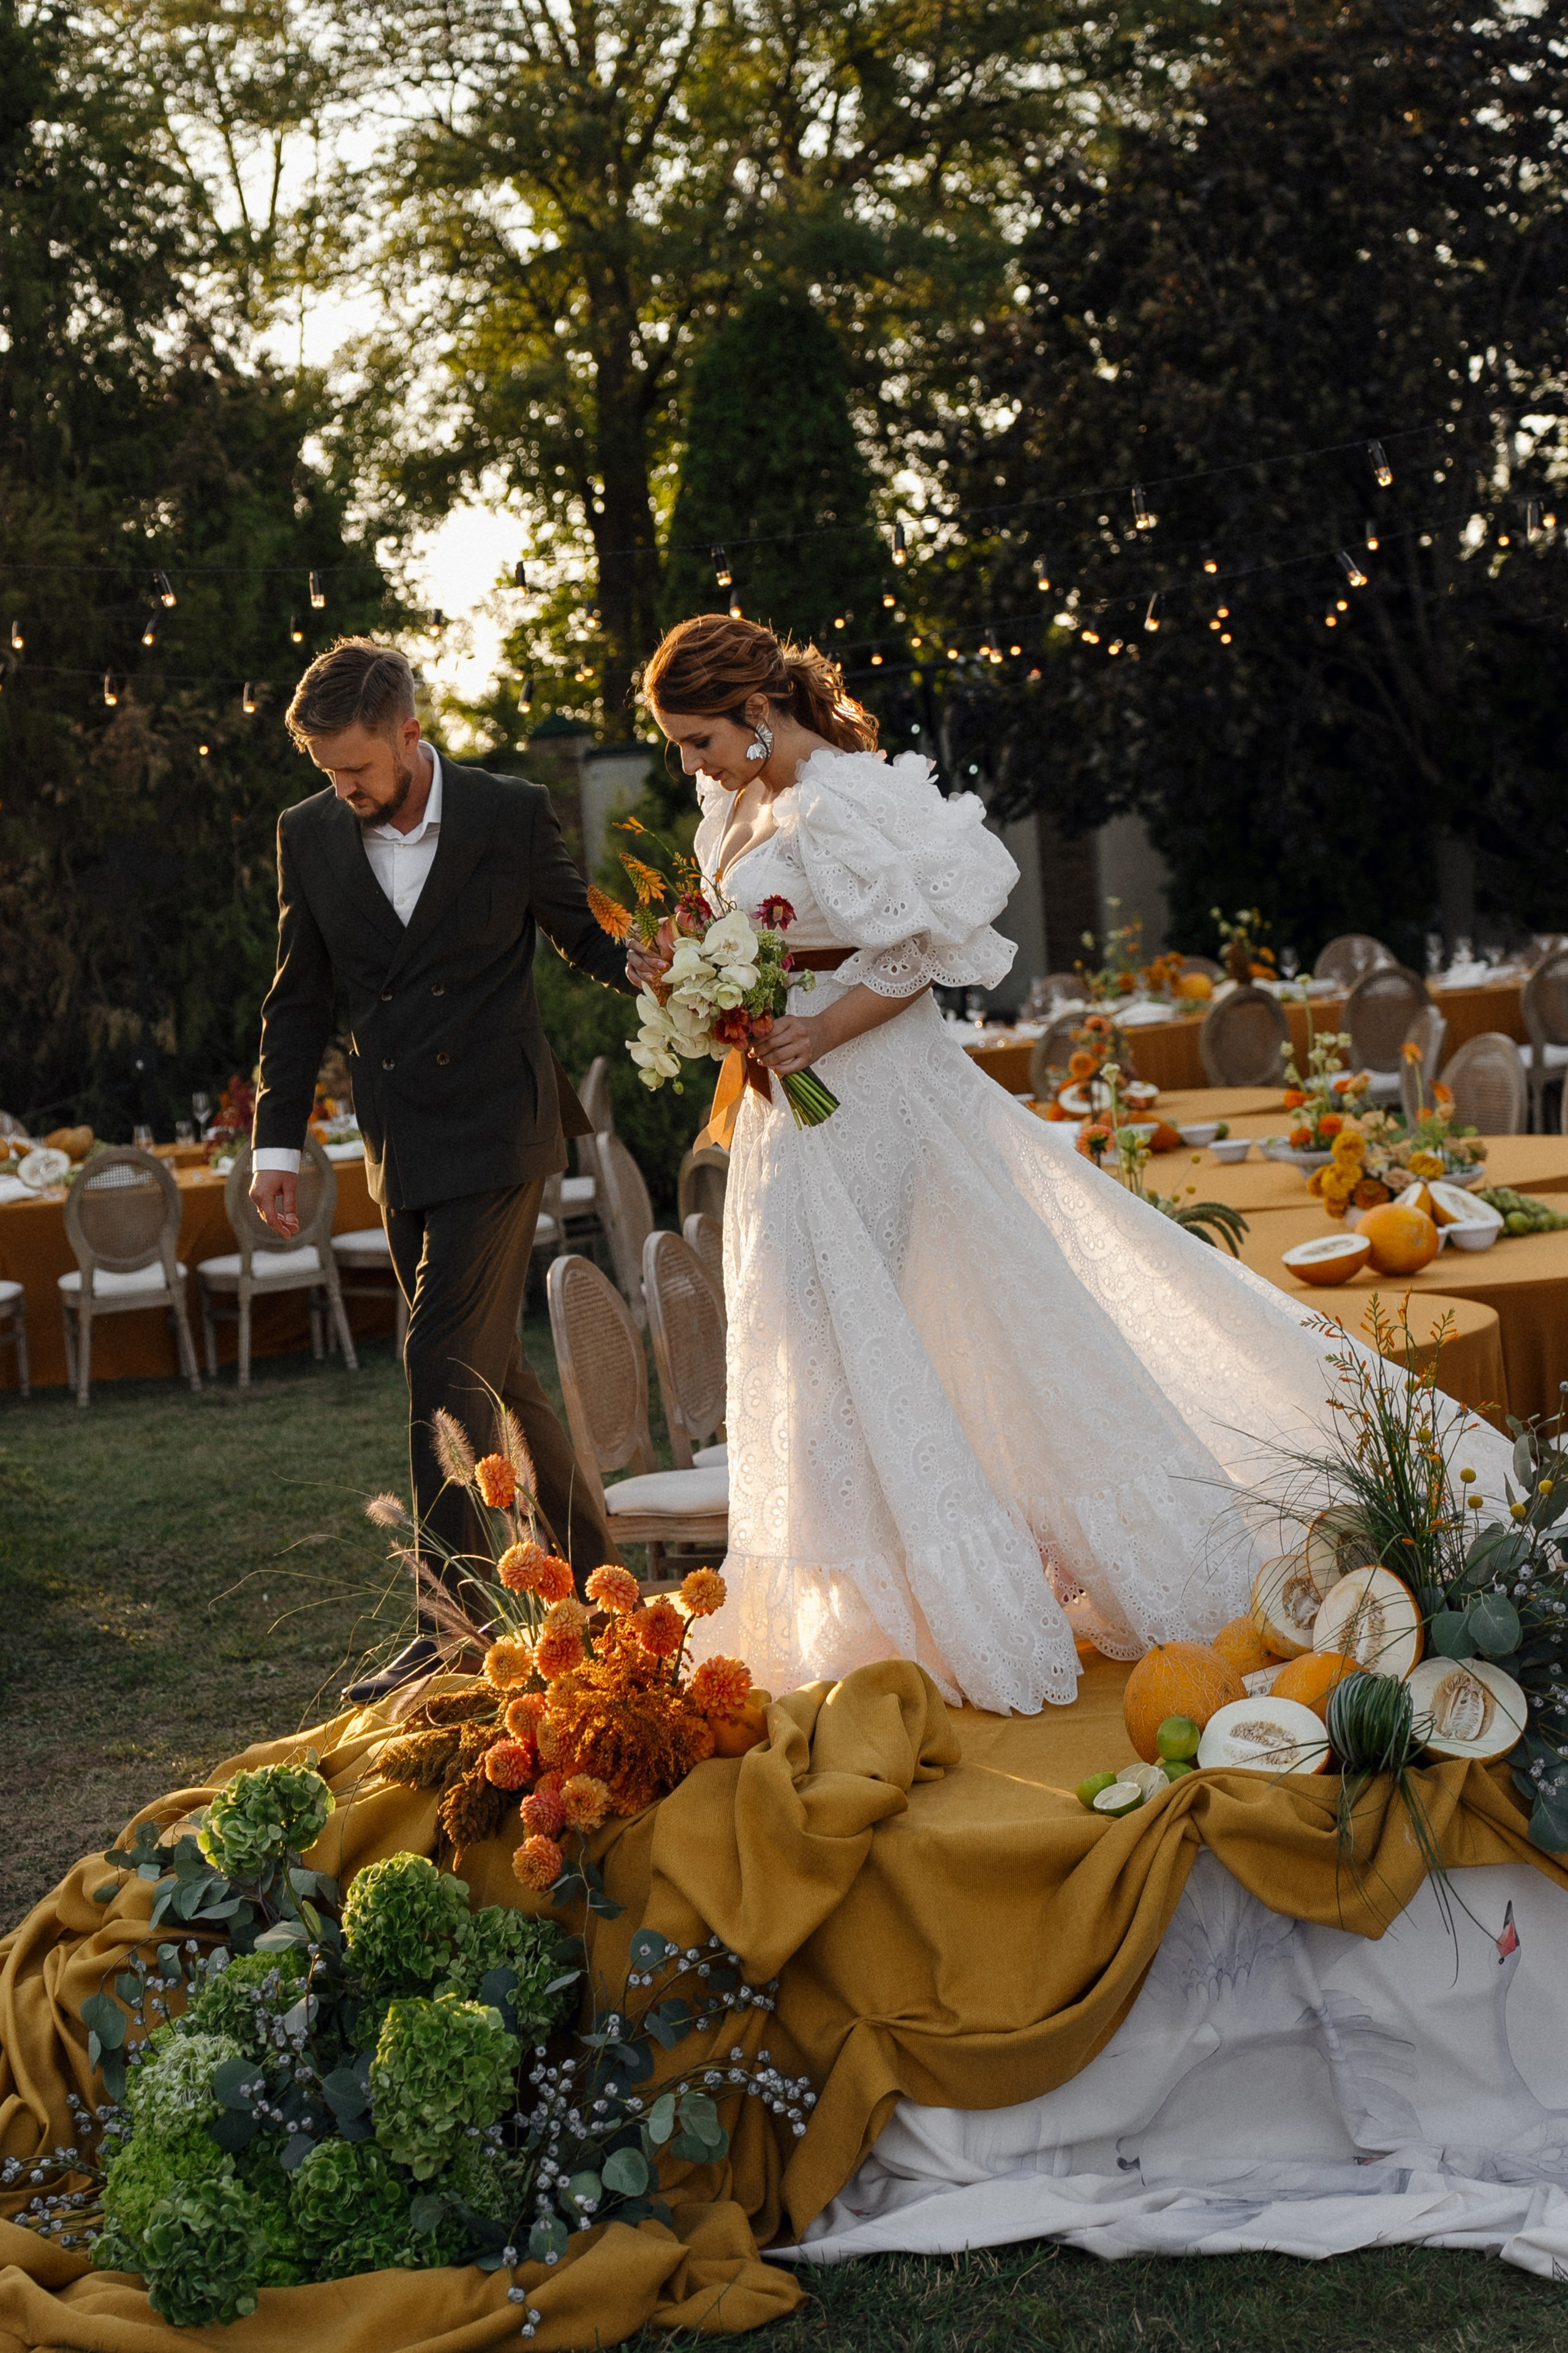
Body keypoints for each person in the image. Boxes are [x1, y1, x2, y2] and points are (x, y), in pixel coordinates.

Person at [635, 614, 1368, 1715]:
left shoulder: (844, 794)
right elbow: (767, 950)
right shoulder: (733, 807)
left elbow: (927, 953)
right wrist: (686, 983)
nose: (688, 765)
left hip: (869, 1099)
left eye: (697, 739)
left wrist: (820, 1032)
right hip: (791, 1117)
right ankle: (884, 1621)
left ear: (754, 711)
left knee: (870, 1334)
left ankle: (963, 1601)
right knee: (823, 1346)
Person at [250, 638, 636, 1699]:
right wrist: (276, 1139)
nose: (345, 789)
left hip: (503, 1127)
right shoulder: (309, 834)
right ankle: (609, 1593)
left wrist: (664, 968)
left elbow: (578, 937)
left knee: (438, 1365)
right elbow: (299, 1001)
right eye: (330, 773)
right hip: (401, 1140)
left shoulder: (508, 812)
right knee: (495, 1375)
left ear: (411, 733)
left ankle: (449, 1623)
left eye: (358, 770)